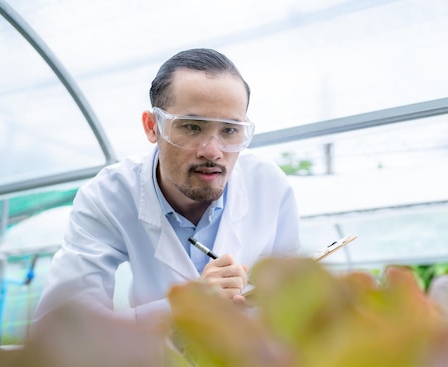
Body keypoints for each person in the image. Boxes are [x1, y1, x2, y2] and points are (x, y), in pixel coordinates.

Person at [33, 48, 301, 328]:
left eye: (230, 130)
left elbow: (293, 304)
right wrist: (186, 306)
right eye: (192, 127)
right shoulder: (108, 196)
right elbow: (61, 329)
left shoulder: (270, 185)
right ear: (152, 127)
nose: (213, 151)